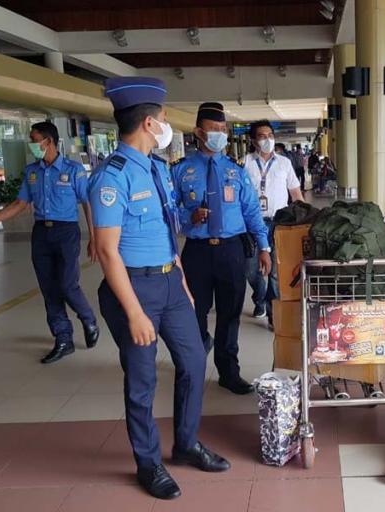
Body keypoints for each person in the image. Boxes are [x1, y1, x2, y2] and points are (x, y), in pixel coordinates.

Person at [90, 78, 230, 500]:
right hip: (133, 288)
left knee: (192, 360)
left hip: (170, 281)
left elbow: (167, 230)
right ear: (150, 123)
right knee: (142, 379)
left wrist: (182, 280)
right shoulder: (111, 178)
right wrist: (133, 312)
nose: (168, 126)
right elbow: (107, 251)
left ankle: (185, 444)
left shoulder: (154, 168)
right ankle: (148, 464)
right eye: (165, 119)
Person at [0, 121, 99, 364]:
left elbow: (87, 203)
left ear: (47, 141)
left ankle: (88, 318)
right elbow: (19, 205)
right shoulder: (32, 172)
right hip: (41, 235)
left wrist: (93, 237)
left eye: (33, 139)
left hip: (66, 232)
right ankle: (63, 339)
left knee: (68, 285)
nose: (31, 144)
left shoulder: (73, 170)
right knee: (49, 289)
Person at [171, 104, 271, 395]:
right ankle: (194, 364)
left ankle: (229, 372)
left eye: (223, 130)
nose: (220, 135)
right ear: (199, 132)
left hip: (231, 250)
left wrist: (264, 247)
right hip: (197, 251)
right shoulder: (181, 170)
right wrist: (189, 217)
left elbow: (252, 210)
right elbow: (169, 213)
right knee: (194, 312)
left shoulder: (235, 171)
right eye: (214, 130)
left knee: (230, 314)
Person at [244, 120, 304, 328]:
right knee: (253, 270)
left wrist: (307, 215)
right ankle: (259, 298)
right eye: (262, 136)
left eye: (270, 135)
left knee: (277, 271)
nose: (267, 139)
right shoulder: (245, 163)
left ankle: (273, 313)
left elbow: (295, 192)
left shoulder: (284, 163)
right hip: (252, 223)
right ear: (253, 140)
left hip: (280, 221)